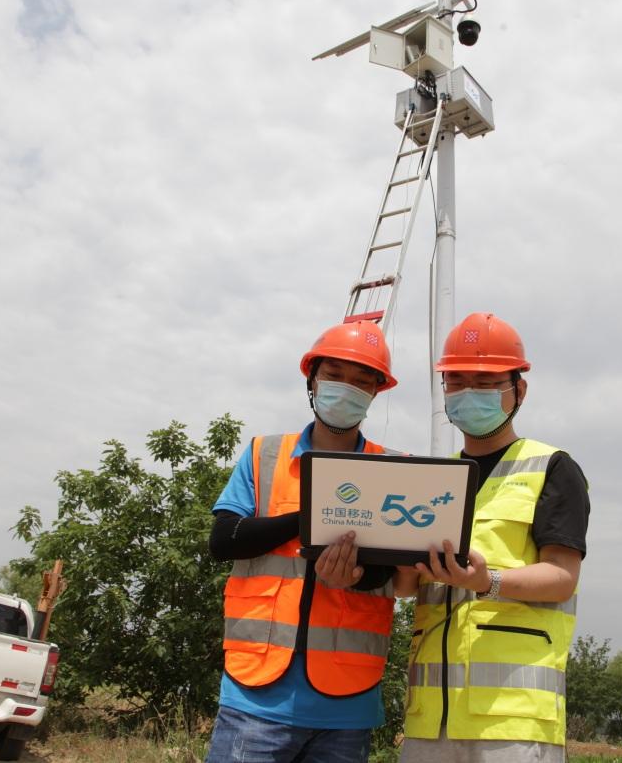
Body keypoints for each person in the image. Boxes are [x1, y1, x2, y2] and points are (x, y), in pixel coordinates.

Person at [205, 320, 403, 763]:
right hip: (254, 695)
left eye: (361, 381)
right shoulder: (263, 454)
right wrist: (313, 514)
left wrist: (353, 575)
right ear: (312, 379)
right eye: (334, 375)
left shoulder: (394, 469)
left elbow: (391, 572)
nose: (345, 388)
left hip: (347, 703)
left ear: (376, 392)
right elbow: (224, 540)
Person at [398, 312, 591, 763]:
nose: (469, 392)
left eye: (485, 381)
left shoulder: (552, 468)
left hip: (513, 718)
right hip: (429, 718)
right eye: (457, 380)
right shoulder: (430, 478)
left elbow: (562, 577)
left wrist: (489, 582)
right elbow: (408, 588)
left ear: (518, 390)